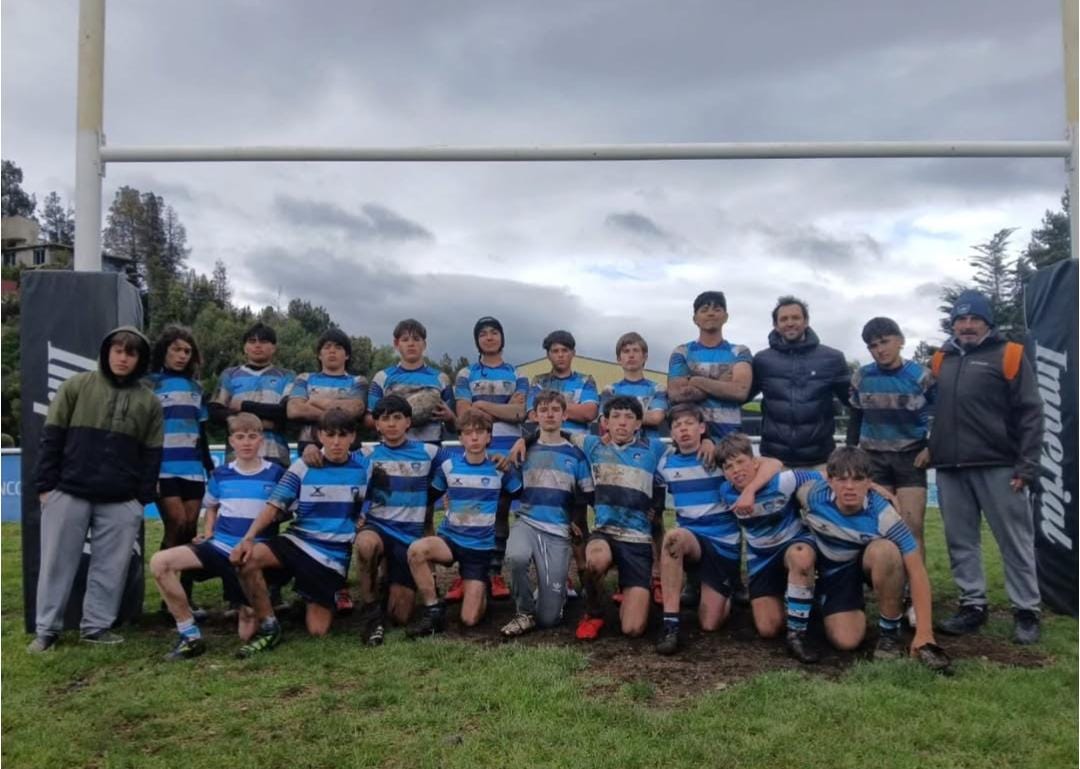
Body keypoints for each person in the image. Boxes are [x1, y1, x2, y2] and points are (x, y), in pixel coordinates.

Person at [28, 326, 163, 652]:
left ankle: (96, 627)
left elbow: (153, 453)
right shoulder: (76, 385)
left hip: (121, 499)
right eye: (118, 350)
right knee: (56, 563)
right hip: (68, 491)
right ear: (107, 352)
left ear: (140, 359)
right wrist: (46, 486)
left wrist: (140, 499)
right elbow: (52, 437)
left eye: (130, 353)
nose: (123, 358)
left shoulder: (149, 401)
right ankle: (46, 630)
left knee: (110, 567)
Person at [929, 290, 1044, 645]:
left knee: (1015, 542)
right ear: (953, 325)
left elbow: (1031, 413)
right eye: (960, 320)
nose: (967, 325)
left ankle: (1026, 611)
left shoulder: (1010, 354)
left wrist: (1026, 466)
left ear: (987, 323)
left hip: (1000, 465)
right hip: (950, 467)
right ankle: (972, 606)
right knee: (960, 541)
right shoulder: (940, 359)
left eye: (974, 319)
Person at [230, 408, 372, 657]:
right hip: (298, 540)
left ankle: (309, 597)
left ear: (352, 437)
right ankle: (269, 625)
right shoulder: (304, 465)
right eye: (330, 435)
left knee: (317, 631)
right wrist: (248, 538)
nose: (336, 442)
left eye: (342, 435)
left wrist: (364, 517)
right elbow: (274, 505)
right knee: (246, 559)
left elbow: (377, 493)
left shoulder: (366, 467)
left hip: (331, 555)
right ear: (319, 435)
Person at [149, 413, 285, 660]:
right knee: (160, 562)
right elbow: (211, 507)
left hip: (252, 552)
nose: (246, 442)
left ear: (261, 440)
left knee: (246, 633)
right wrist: (209, 533)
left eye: (252, 436)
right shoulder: (221, 474)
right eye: (240, 437)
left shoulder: (276, 474)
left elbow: (285, 511)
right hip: (220, 546)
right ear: (231, 441)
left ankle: (251, 609)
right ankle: (189, 635)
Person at [533, 396, 668, 640]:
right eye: (615, 416)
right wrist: (523, 440)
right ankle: (593, 613)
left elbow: (684, 446)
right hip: (605, 533)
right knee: (594, 561)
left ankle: (637, 588)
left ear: (638, 424)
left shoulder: (654, 448)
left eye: (629, 417)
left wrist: (657, 507)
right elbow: (555, 431)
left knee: (633, 629)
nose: (622, 422)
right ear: (605, 422)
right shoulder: (593, 445)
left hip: (638, 540)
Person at [797, 447, 942, 663]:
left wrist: (924, 633)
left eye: (858, 479)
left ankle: (889, 634)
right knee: (796, 552)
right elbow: (775, 474)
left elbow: (917, 571)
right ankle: (813, 604)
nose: (849, 486)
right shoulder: (811, 493)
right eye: (842, 479)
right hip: (822, 566)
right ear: (830, 480)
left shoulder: (884, 514)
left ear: (869, 482)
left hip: (853, 569)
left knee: (887, 552)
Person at [654, 408, 777, 655]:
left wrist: (749, 490)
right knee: (673, 539)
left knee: (710, 625)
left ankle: (726, 589)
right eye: (677, 425)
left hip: (724, 544)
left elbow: (772, 464)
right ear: (672, 433)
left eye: (689, 423)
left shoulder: (720, 458)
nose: (683, 429)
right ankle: (670, 624)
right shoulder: (665, 464)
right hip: (692, 541)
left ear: (702, 428)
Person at [847, 317, 935, 625]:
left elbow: (938, 413)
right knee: (874, 529)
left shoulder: (920, 376)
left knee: (912, 527)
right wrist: (851, 454)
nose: (879, 350)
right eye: (872, 346)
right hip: (873, 458)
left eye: (884, 342)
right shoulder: (862, 376)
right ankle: (872, 590)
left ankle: (915, 598)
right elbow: (855, 417)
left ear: (900, 340)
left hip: (910, 457)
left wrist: (931, 446)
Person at [405, 409, 523, 637]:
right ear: (460, 438)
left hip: (479, 548)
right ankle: (433, 608)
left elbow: (520, 493)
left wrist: (510, 468)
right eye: (468, 433)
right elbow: (428, 496)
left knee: (470, 620)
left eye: (480, 432)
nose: (474, 437)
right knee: (416, 550)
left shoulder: (499, 468)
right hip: (450, 540)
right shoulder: (449, 467)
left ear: (489, 436)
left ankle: (481, 587)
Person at [714, 433, 819, 663]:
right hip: (760, 556)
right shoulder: (726, 492)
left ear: (755, 462)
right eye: (729, 466)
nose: (736, 470)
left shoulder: (783, 481)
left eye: (741, 462)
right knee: (768, 629)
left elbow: (823, 478)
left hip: (793, 543)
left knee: (801, 556)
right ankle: (799, 600)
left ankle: (797, 635)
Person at [286, 327, 368, 615]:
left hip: (346, 454)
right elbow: (293, 411)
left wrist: (316, 403)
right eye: (326, 347)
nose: (332, 351)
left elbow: (354, 410)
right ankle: (306, 580)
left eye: (338, 347)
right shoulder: (304, 378)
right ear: (319, 353)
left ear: (347, 354)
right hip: (310, 452)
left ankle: (339, 584)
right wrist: (337, 411)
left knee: (345, 519)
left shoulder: (358, 380)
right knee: (309, 517)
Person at [500, 391, 594, 637]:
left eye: (555, 410)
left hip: (558, 530)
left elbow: (585, 495)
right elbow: (516, 489)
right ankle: (523, 612)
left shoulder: (576, 455)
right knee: (517, 557)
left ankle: (553, 593)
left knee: (549, 619)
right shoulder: (525, 450)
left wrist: (576, 521)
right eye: (543, 410)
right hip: (527, 522)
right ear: (534, 416)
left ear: (564, 415)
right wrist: (505, 472)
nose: (549, 414)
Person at [351, 395, 440, 645]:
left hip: (408, 538)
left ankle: (389, 581)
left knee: (400, 616)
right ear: (377, 424)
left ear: (408, 422)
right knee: (365, 544)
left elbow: (462, 462)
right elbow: (332, 458)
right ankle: (371, 611)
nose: (391, 424)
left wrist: (431, 494)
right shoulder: (365, 454)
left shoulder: (429, 452)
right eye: (385, 419)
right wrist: (313, 450)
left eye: (397, 418)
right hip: (378, 527)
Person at [451, 316, 528, 602]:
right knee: (471, 509)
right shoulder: (466, 373)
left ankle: (494, 573)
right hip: (475, 445)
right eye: (483, 333)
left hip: (508, 448)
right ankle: (466, 574)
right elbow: (464, 415)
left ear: (502, 337)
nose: (489, 337)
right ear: (477, 340)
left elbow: (519, 413)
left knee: (501, 509)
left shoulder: (517, 373)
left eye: (494, 332)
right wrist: (502, 409)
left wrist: (481, 404)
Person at [147, 325, 216, 616]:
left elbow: (201, 431)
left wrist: (209, 466)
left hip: (192, 468)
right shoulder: (150, 384)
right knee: (175, 524)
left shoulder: (196, 388)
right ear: (164, 351)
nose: (182, 355)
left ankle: (184, 598)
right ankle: (168, 599)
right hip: (163, 468)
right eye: (176, 349)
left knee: (189, 529)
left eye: (187, 351)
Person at [525, 329, 599, 595]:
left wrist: (554, 408)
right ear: (548, 355)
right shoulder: (538, 381)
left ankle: (585, 576)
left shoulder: (586, 380)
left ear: (573, 353)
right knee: (551, 517)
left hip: (578, 457)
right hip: (547, 456)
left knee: (578, 518)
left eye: (565, 350)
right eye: (555, 351)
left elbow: (590, 412)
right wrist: (565, 410)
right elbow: (532, 414)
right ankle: (559, 577)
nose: (560, 355)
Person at [601, 332, 668, 604]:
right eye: (625, 351)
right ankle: (626, 579)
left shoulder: (657, 388)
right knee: (621, 519)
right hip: (620, 464)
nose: (631, 355)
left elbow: (657, 417)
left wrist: (622, 415)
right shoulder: (610, 389)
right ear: (619, 358)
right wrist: (634, 416)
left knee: (655, 520)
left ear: (645, 356)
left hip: (649, 463)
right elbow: (606, 423)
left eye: (636, 350)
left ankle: (659, 576)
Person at [750, 296, 850, 470]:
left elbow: (853, 401)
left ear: (806, 321)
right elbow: (740, 395)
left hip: (820, 461)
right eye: (784, 319)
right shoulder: (762, 360)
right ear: (775, 325)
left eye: (795, 317)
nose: (790, 323)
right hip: (774, 461)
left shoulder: (833, 358)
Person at [667, 291, 753, 442]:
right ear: (695, 319)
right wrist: (722, 383)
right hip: (693, 442)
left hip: (731, 441)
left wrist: (696, 381)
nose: (711, 313)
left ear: (726, 316)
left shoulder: (740, 351)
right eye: (704, 310)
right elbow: (677, 394)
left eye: (717, 309)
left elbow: (740, 391)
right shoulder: (682, 352)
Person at [209, 322, 295, 468]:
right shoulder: (229, 375)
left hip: (276, 455)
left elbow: (285, 412)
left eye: (263, 341)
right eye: (252, 341)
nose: (257, 345)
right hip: (236, 458)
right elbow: (214, 410)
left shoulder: (287, 376)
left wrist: (243, 406)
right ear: (245, 347)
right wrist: (234, 420)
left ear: (273, 348)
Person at [365, 318, 455, 444]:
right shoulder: (382, 377)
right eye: (405, 339)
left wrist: (450, 418)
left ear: (424, 344)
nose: (411, 344)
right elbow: (368, 419)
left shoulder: (441, 378)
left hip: (430, 448)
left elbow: (454, 426)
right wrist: (394, 421)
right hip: (392, 449)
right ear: (396, 344)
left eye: (416, 339)